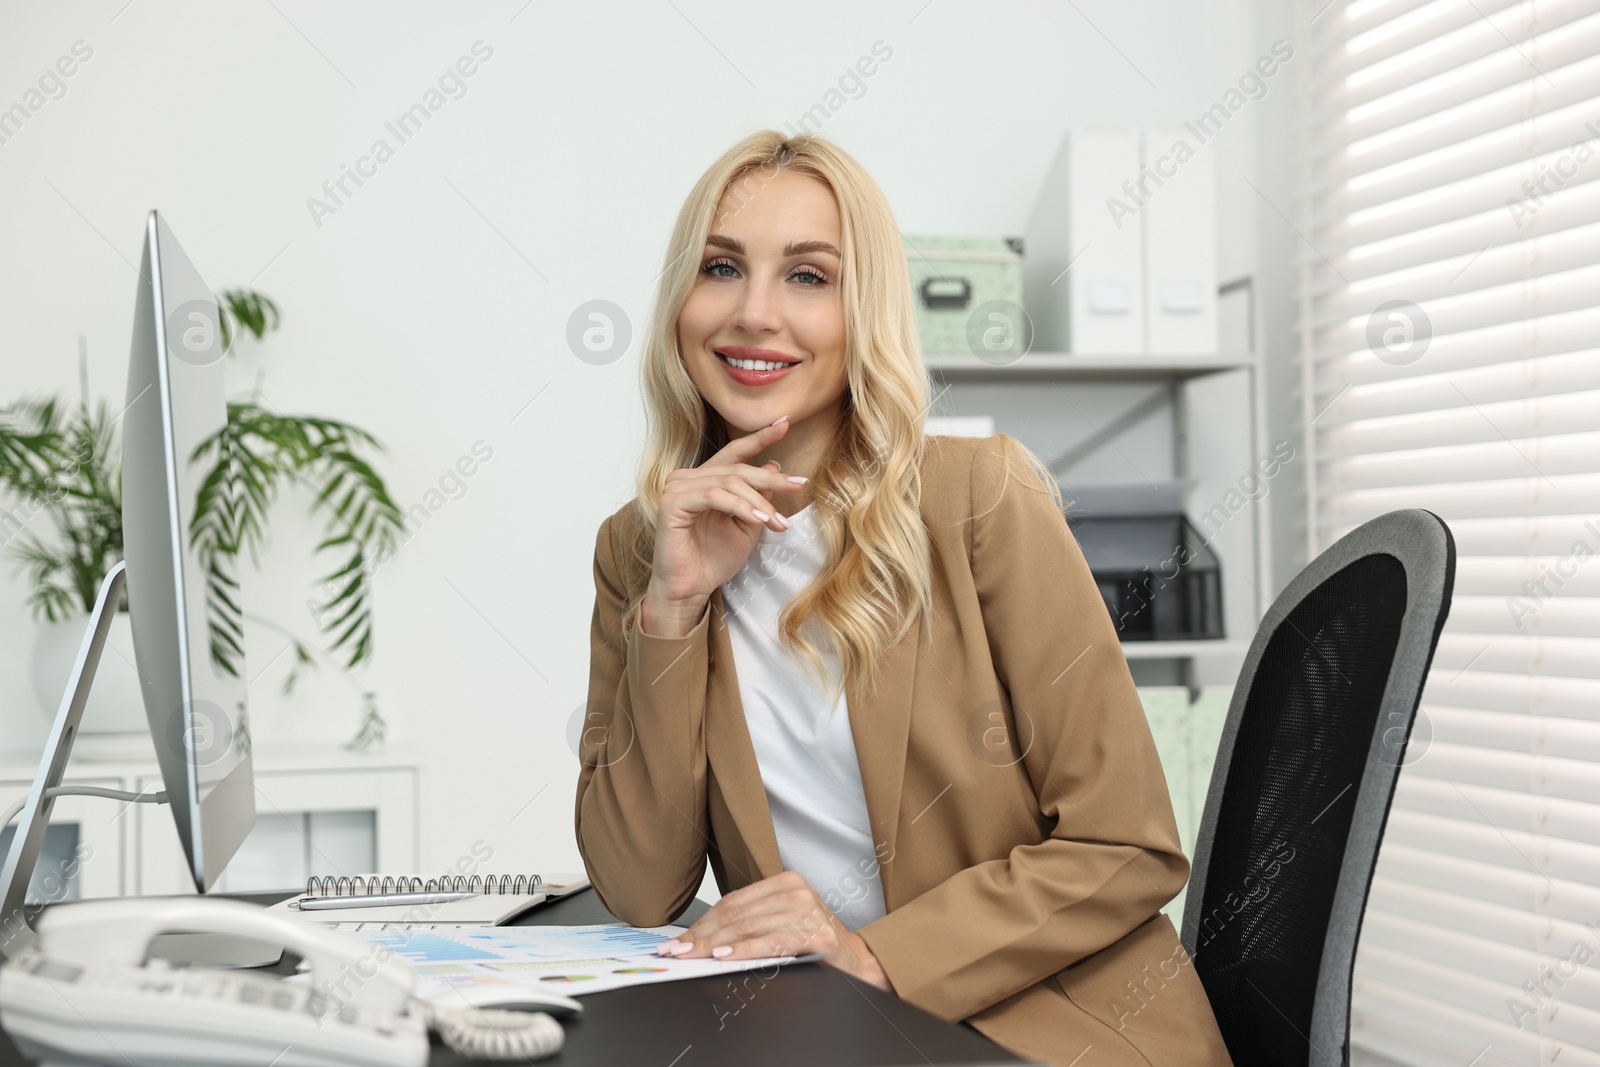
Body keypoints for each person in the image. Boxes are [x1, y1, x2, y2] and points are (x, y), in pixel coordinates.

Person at [576, 130, 1232, 1066]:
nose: (754, 313)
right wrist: (672, 608)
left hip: (1050, 1031)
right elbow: (640, 888)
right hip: (828, 1034)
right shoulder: (638, 551)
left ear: (864, 309)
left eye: (809, 276)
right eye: (722, 267)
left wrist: (876, 954)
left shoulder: (979, 498)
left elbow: (1125, 843)